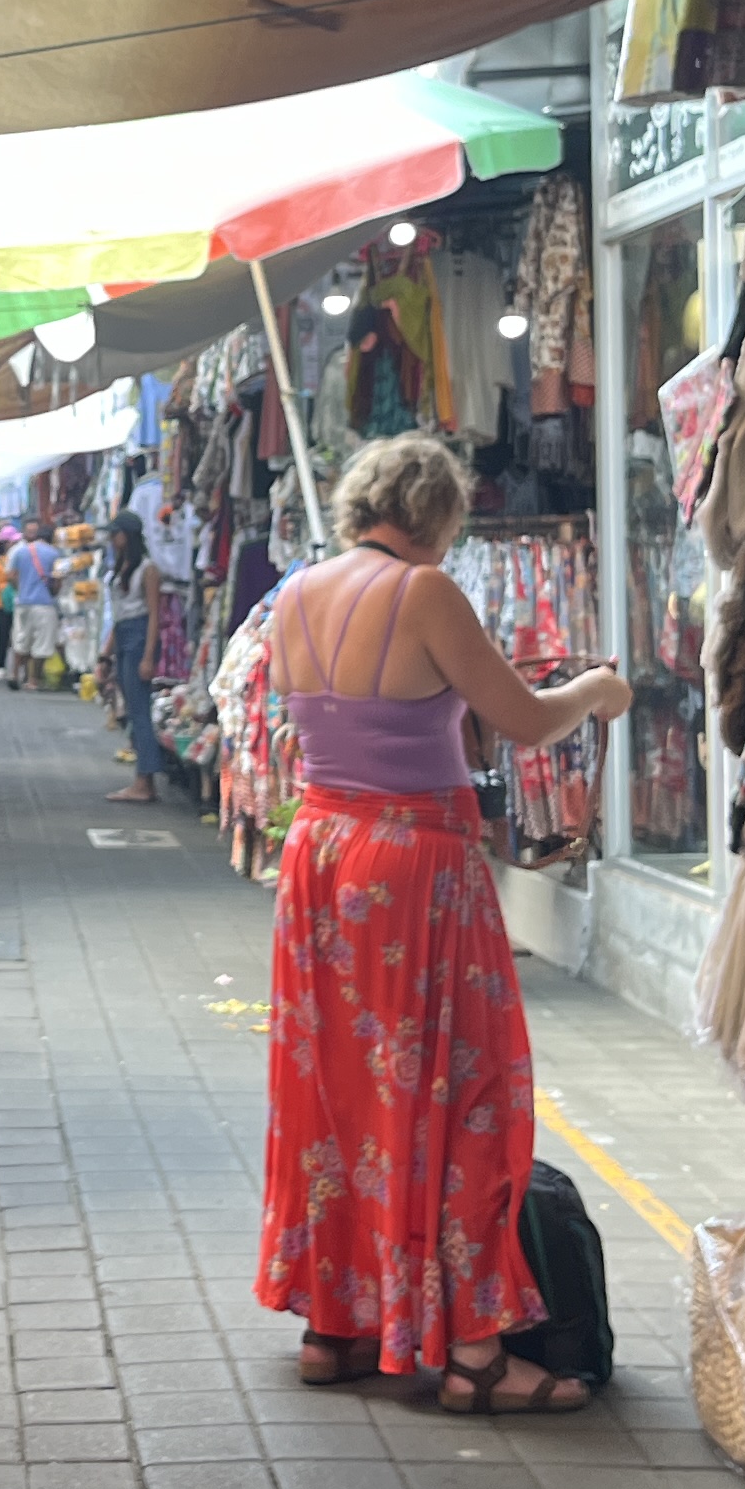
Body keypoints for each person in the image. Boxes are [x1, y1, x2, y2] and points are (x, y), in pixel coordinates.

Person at [257, 433, 628, 1406]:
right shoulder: (424, 593)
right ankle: (473, 1354)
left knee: (337, 1090)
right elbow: (524, 719)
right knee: (455, 1092)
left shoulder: (295, 595)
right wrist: (595, 688)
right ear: (438, 514)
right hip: (413, 865)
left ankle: (334, 1324)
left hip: (321, 856)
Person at [100, 511, 170, 804]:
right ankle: (143, 778)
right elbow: (118, 615)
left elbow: (155, 614)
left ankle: (145, 780)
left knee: (139, 709)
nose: (111, 539)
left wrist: (148, 656)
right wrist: (105, 653)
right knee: (132, 707)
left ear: (125, 535)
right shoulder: (121, 567)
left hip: (139, 634)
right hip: (125, 633)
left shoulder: (147, 569)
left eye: (115, 533)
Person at [6, 530, 59, 689]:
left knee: (21, 640)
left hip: (23, 602)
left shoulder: (20, 551)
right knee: (41, 643)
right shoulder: (54, 554)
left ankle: (14, 673)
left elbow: (10, 575)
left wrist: (21, 589)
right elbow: (57, 582)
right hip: (44, 604)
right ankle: (32, 680)